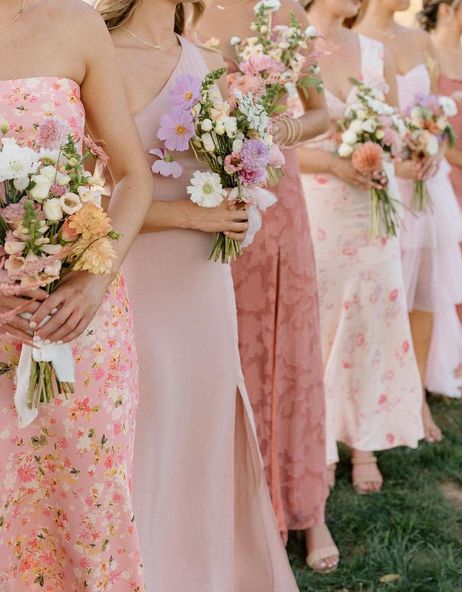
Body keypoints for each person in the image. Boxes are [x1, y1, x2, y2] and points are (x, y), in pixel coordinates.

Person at [96, 0, 301, 589]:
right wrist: (189, 214)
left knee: (203, 422)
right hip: (127, 280)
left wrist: (242, 207)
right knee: (144, 426)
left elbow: (234, 171)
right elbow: (88, 198)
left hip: (202, 288)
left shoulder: (209, 62)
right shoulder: (96, 54)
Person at [0, 0, 154, 589]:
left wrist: (95, 281)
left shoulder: (77, 22)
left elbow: (132, 177)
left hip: (80, 324)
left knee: (87, 511)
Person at [198, 0, 339, 573]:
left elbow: (321, 114)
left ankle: (307, 510)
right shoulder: (184, 14)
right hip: (211, 204)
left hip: (280, 209)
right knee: (220, 357)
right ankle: (229, 512)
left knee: (292, 352)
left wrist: (279, 128)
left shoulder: (288, 20)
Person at [299, 0, 424, 495]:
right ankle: (320, 442)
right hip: (319, 208)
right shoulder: (286, 47)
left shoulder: (376, 52)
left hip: (373, 207)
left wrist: (401, 151)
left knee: (372, 318)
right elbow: (273, 141)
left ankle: (366, 441)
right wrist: (333, 163)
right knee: (321, 321)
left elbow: (395, 134)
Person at [356, 0, 462, 425]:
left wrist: (433, 145)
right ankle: (371, 395)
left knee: (424, 293)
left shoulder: (420, 40)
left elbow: (437, 111)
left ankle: (416, 394)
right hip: (382, 178)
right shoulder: (354, 37)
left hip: (426, 179)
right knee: (382, 294)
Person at [429, 0, 462, 394]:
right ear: (447, 8)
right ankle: (445, 357)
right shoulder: (428, 50)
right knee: (459, 255)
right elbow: (425, 118)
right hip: (446, 168)